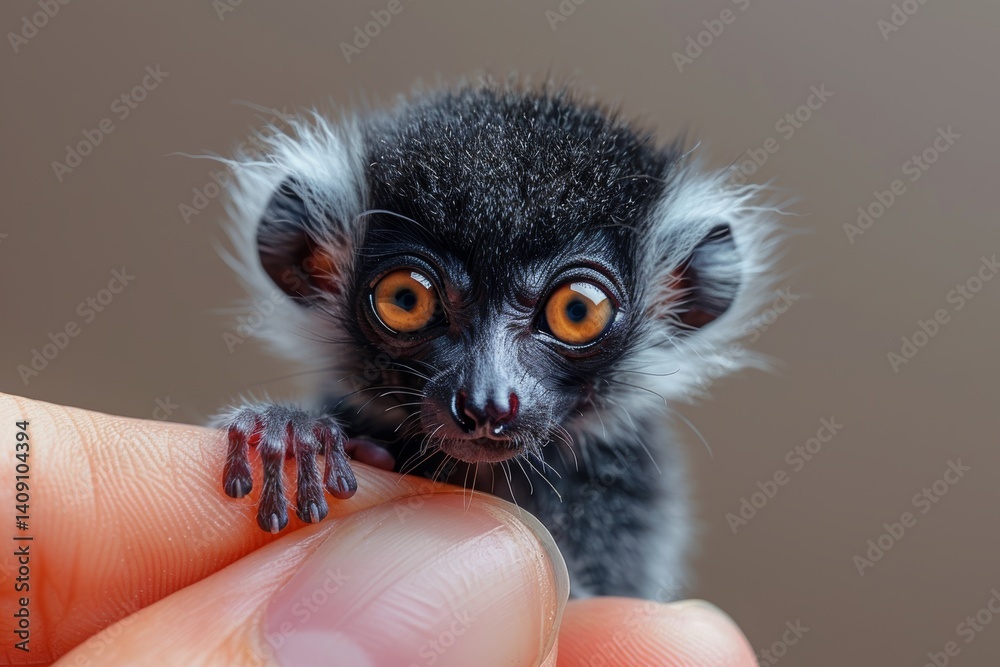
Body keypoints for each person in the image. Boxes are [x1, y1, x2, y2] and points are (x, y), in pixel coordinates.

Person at [0, 393, 757, 666]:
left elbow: (589, 615)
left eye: (573, 313)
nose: (490, 390)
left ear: (685, 292)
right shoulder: (338, 442)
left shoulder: (623, 483)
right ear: (311, 262)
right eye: (410, 297)